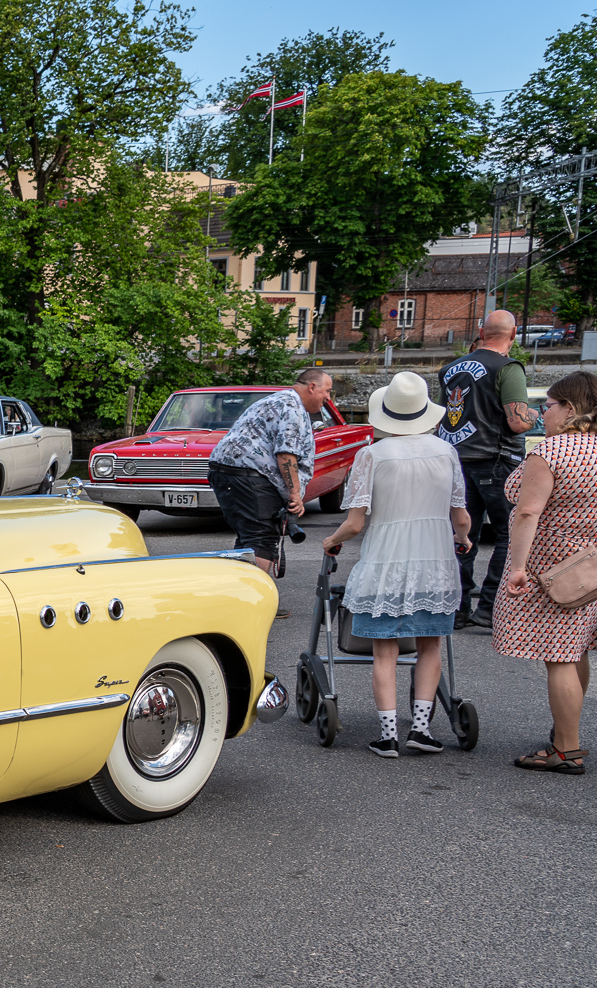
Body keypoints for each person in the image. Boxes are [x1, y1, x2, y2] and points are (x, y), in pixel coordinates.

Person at [319, 372, 471, 758]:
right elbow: (461, 516)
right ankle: (421, 729)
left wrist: (332, 540)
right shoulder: (445, 452)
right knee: (430, 646)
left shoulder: (371, 456)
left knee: (384, 651)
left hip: (385, 563)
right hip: (433, 564)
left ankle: (387, 735)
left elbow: (355, 523)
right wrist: (464, 539)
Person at [496, 370, 597, 773]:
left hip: (551, 568)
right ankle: (564, 732)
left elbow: (527, 511)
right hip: (589, 566)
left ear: (570, 409)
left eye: (549, 405)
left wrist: (517, 567)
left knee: (558, 656)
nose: (544, 412)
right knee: (576, 649)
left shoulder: (551, 452)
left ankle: (566, 750)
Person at [438, 309, 537, 630]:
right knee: (510, 534)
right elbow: (517, 422)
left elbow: (444, 416)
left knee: (462, 533)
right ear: (513, 334)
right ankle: (491, 607)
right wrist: (535, 415)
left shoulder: (450, 369)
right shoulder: (507, 368)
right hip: (496, 461)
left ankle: (457, 608)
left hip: (455, 461)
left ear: (481, 332)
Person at [207, 368, 333, 596]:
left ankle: (237, 597)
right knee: (262, 538)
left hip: (227, 471)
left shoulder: (277, 400)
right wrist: (295, 494)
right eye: (327, 391)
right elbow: (286, 455)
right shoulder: (293, 407)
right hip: (249, 474)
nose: (329, 398)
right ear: (312, 387)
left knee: (250, 537)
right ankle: (254, 602)